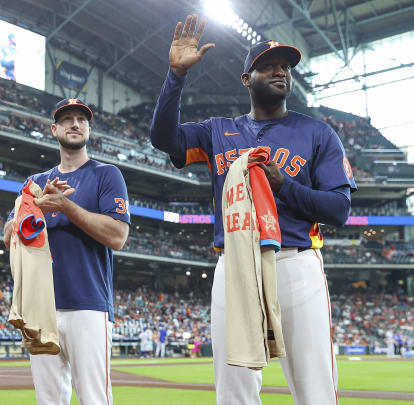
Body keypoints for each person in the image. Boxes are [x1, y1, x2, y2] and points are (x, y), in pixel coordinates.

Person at [150, 14, 356, 405]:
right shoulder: (217, 130)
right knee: (233, 389)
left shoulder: (317, 133)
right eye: (267, 65)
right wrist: (175, 75)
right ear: (247, 78)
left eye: (285, 66)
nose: (279, 71)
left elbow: (339, 210)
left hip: (296, 262)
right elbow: (164, 139)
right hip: (235, 263)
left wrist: (286, 186)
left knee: (315, 387)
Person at [3, 98, 130, 405]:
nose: (75, 124)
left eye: (81, 120)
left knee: (94, 398)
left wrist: (65, 206)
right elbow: (8, 237)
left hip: (88, 304)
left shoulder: (106, 174)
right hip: (40, 307)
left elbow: (118, 235)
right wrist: (37, 207)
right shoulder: (35, 183)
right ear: (53, 129)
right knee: (48, 400)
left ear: (89, 129)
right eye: (67, 119)